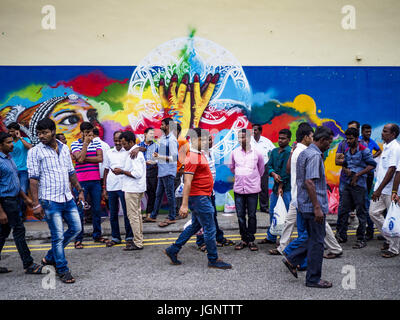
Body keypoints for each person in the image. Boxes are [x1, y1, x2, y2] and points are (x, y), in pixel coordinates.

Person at [164, 128, 232, 269]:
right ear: (196, 139)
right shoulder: (193, 157)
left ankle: (173, 249)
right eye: (205, 139)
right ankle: (213, 259)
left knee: (196, 226)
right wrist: (184, 205)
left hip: (202, 196)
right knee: (210, 228)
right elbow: (187, 181)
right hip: (200, 198)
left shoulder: (199, 154)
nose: (207, 142)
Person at [27, 118, 85, 284]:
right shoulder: (35, 152)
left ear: (53, 131)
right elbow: (33, 180)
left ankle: (50, 256)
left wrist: (79, 190)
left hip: (67, 197)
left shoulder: (65, 148)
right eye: (39, 133)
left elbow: (71, 172)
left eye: (44, 132)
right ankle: (62, 269)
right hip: (50, 200)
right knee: (57, 237)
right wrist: (36, 204)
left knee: (76, 228)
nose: (41, 136)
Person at [282, 126, 334, 289]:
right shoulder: (314, 156)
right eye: (329, 143)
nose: (329, 146)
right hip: (313, 206)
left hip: (304, 204)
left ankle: (292, 258)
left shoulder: (304, 152)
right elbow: (309, 182)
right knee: (318, 242)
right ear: (323, 140)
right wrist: (317, 207)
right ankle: (313, 279)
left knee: (313, 238)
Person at [0, 132, 43, 275]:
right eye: (8, 142)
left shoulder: (9, 158)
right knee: (19, 230)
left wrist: (25, 198)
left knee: (3, 232)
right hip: (6, 201)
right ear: (1, 145)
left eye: (12, 141)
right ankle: (28, 264)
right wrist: (1, 211)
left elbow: (14, 182)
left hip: (14, 199)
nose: (12, 144)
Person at [335, 128, 377, 249]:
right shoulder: (347, 150)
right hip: (348, 184)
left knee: (361, 212)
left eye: (351, 138)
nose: (348, 141)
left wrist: (357, 175)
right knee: (343, 210)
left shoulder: (364, 150)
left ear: (357, 138)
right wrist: (347, 170)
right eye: (347, 138)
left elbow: (372, 165)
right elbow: (345, 163)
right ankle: (342, 236)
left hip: (359, 186)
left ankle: (360, 239)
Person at [71, 122, 109, 247]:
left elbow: (100, 159)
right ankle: (78, 238)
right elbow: (80, 159)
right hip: (80, 182)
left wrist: (82, 158)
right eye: (86, 133)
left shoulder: (97, 143)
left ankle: (97, 235)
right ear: (81, 133)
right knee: (80, 210)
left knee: (97, 209)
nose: (89, 136)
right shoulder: (74, 143)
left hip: (95, 180)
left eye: (91, 133)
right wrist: (85, 145)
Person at [196, 134, 235, 251]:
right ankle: (201, 241)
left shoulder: (211, 152)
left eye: (210, 139)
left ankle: (218, 237)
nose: (209, 142)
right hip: (201, 192)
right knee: (201, 218)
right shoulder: (199, 155)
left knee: (213, 215)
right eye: (206, 140)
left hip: (210, 191)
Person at [229, 129, 264, 252]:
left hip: (253, 189)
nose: (240, 140)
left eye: (243, 137)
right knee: (240, 216)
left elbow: (261, 169)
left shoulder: (257, 153)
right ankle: (244, 239)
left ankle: (251, 240)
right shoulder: (234, 153)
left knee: (252, 215)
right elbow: (232, 168)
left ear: (249, 138)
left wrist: (251, 178)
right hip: (239, 189)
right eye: (239, 138)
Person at [369, 123, 400, 258]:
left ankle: (394, 248)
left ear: (393, 134)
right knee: (373, 213)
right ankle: (390, 237)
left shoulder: (395, 148)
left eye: (385, 131)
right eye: (382, 131)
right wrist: (377, 189)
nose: (382, 133)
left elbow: (392, 170)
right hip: (380, 189)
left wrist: (381, 190)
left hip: (389, 191)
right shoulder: (386, 147)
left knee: (393, 218)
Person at [114, 131, 146, 251]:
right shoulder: (134, 151)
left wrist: (121, 171)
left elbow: (137, 174)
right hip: (135, 188)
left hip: (133, 188)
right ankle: (139, 239)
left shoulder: (135, 154)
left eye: (124, 144)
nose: (123, 146)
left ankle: (137, 242)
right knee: (136, 215)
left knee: (133, 216)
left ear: (131, 142)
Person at [259, 129, 292, 245]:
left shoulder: (289, 152)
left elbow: (287, 172)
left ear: (289, 140)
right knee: (273, 212)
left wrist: (281, 186)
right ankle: (271, 237)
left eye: (283, 138)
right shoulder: (274, 151)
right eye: (279, 138)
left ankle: (284, 239)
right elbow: (269, 166)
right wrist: (272, 173)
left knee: (285, 214)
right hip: (275, 189)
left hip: (286, 189)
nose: (280, 140)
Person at [102, 131, 134, 248]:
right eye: (115, 140)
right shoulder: (109, 152)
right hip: (111, 186)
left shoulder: (129, 151)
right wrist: (104, 188)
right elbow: (105, 170)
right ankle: (115, 237)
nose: (117, 143)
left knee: (127, 213)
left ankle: (129, 237)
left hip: (125, 186)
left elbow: (142, 148)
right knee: (113, 214)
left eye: (119, 140)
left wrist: (137, 149)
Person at [148, 118, 179, 227]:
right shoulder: (163, 138)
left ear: (167, 126)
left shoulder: (171, 140)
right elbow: (160, 157)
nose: (161, 126)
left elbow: (174, 158)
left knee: (170, 195)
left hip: (168, 172)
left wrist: (159, 156)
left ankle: (172, 217)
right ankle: (153, 215)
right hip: (162, 172)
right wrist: (153, 161)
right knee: (158, 195)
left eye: (162, 124)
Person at [360, 123, 382, 240]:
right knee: (363, 202)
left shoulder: (372, 142)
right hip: (360, 175)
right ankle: (364, 230)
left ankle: (369, 231)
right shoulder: (358, 141)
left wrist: (372, 157)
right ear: (362, 131)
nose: (368, 134)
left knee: (366, 201)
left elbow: (379, 150)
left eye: (369, 132)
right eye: (366, 132)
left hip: (368, 175)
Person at [7, 122, 32, 220]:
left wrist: (20, 137)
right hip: (11, 170)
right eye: (9, 131)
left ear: (17, 131)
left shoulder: (25, 140)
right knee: (12, 192)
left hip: (23, 171)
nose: (10, 132)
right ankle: (15, 215)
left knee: (23, 191)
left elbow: (30, 147)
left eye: (12, 131)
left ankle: (22, 215)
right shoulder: (8, 142)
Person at [251, 124, 275, 213]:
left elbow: (274, 151)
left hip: (263, 167)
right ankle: (251, 207)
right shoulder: (249, 141)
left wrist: (270, 162)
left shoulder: (266, 141)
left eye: (256, 130)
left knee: (263, 187)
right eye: (253, 130)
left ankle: (264, 207)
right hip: (251, 167)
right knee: (252, 187)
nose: (254, 131)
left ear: (260, 131)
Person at [137, 127, 159, 222]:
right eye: (150, 134)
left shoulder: (156, 146)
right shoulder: (138, 146)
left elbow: (159, 159)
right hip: (141, 172)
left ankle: (149, 213)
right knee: (139, 193)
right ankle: (138, 214)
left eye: (153, 134)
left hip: (152, 171)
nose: (152, 136)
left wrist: (155, 162)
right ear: (145, 134)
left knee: (152, 193)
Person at [175, 123, 190, 218]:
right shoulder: (176, 140)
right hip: (176, 170)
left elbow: (187, 155)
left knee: (179, 192)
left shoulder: (182, 141)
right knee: (177, 192)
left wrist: (183, 168)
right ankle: (178, 211)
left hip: (179, 170)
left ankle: (180, 212)